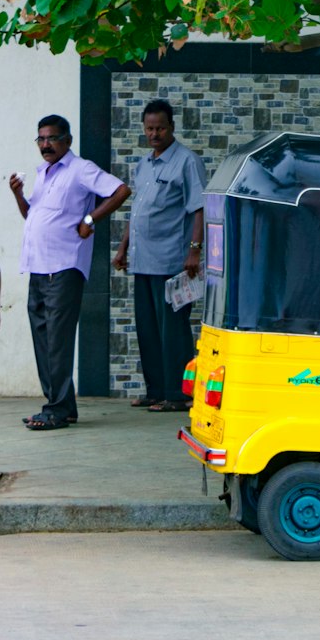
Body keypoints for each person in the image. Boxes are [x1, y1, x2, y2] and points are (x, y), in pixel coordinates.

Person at [10, 115, 130, 431]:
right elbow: (31, 216)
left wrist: (90, 219)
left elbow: (120, 190)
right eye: (41, 139)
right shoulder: (45, 174)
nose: (46, 145)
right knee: (43, 338)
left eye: (52, 138)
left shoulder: (81, 169)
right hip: (38, 267)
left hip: (63, 267)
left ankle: (56, 409)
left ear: (68, 140)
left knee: (57, 340)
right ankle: (63, 405)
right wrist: (18, 195)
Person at [113, 99, 206, 413]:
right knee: (148, 330)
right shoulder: (143, 164)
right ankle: (155, 391)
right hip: (143, 261)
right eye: (149, 128)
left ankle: (177, 395)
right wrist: (123, 247)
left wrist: (195, 251)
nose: (154, 134)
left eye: (160, 128)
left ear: (172, 128)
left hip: (172, 261)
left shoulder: (187, 162)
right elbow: (137, 212)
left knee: (173, 331)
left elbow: (199, 209)